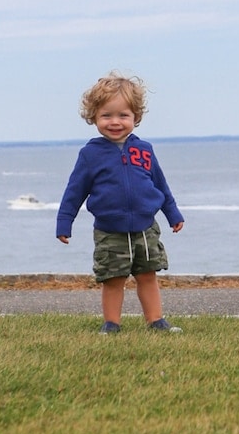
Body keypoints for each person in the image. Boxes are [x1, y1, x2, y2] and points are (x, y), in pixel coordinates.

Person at [56, 73, 184, 333]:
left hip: (146, 228)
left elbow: (159, 184)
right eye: (106, 115)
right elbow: (74, 191)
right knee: (113, 279)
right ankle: (112, 324)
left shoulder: (144, 150)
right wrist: (64, 222)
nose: (115, 122)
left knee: (147, 275)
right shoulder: (90, 154)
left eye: (123, 115)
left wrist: (173, 214)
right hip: (109, 231)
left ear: (136, 117)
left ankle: (156, 321)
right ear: (94, 117)